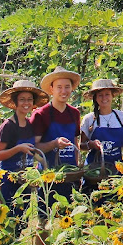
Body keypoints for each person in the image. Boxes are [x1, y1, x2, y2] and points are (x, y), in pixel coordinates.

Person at [0, 80, 49, 218]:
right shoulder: (8, 126)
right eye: (22, 99)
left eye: (29, 100)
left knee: (21, 221)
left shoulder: (30, 125)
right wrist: (18, 148)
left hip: (25, 181)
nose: (26, 103)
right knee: (8, 219)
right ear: (15, 102)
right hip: (9, 180)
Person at [29, 66, 82, 203]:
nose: (63, 91)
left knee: (69, 217)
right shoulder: (41, 114)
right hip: (49, 175)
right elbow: (33, 147)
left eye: (67, 87)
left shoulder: (74, 113)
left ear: (72, 88)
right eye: (59, 87)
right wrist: (54, 144)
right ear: (51, 89)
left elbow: (75, 141)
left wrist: (76, 169)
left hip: (70, 174)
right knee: (45, 217)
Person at [80, 79, 123, 186]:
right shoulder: (89, 119)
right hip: (94, 171)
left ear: (113, 96)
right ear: (95, 98)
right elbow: (81, 145)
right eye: (100, 95)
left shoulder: (122, 117)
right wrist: (91, 145)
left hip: (117, 169)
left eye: (107, 94)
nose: (104, 98)